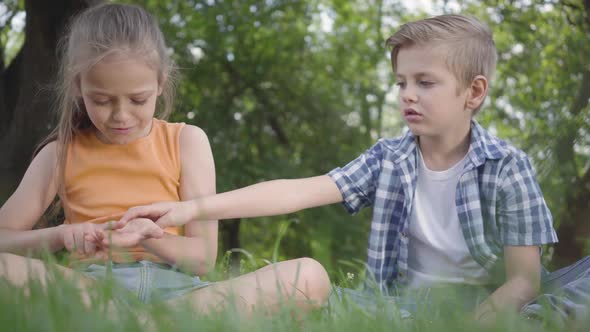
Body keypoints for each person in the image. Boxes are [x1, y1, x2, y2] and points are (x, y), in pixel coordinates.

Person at [119, 14, 565, 322]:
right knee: (299, 288)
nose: (407, 94)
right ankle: (157, 319)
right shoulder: (388, 158)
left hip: (490, 307)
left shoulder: (508, 168)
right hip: (396, 308)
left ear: (474, 91)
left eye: (425, 83)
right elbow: (296, 192)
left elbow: (523, 282)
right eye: (402, 82)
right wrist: (187, 210)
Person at [0, 3, 331, 314]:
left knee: (308, 276)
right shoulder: (60, 152)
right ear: (77, 87)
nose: (121, 115)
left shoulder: (187, 141)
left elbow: (202, 259)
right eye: (101, 100)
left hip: (181, 294)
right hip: (92, 291)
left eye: (138, 99)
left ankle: (142, 323)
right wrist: (60, 236)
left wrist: (150, 238)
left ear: (160, 83)